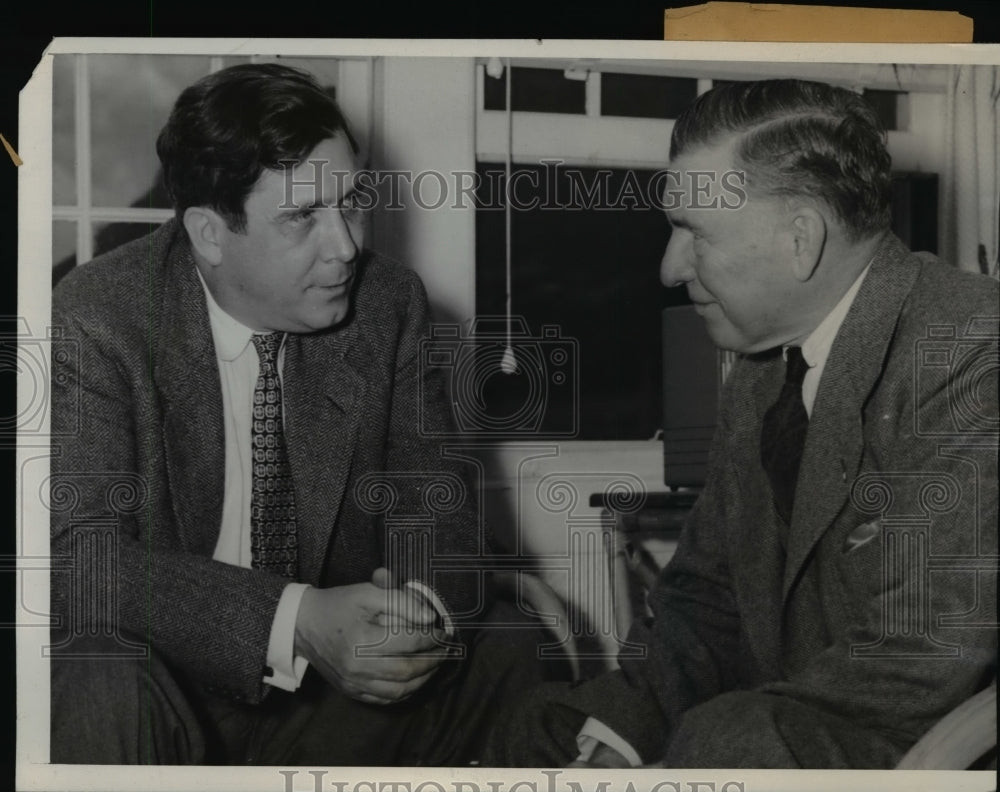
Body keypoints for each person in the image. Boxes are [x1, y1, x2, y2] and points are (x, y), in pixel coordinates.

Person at [49, 63, 553, 766]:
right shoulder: (98, 316)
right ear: (209, 233)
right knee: (95, 664)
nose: (345, 246)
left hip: (331, 701)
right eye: (301, 218)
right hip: (164, 692)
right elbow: (81, 559)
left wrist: (408, 617)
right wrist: (295, 619)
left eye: (350, 203)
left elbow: (435, 508)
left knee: (509, 644)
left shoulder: (389, 307)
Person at [485, 78, 998, 769]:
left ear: (800, 241)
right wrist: (620, 739)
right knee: (540, 729)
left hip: (927, 746)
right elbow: (707, 597)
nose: (670, 267)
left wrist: (687, 759)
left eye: (693, 232)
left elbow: (925, 655)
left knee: (728, 737)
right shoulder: (763, 365)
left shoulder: (970, 349)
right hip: (794, 720)